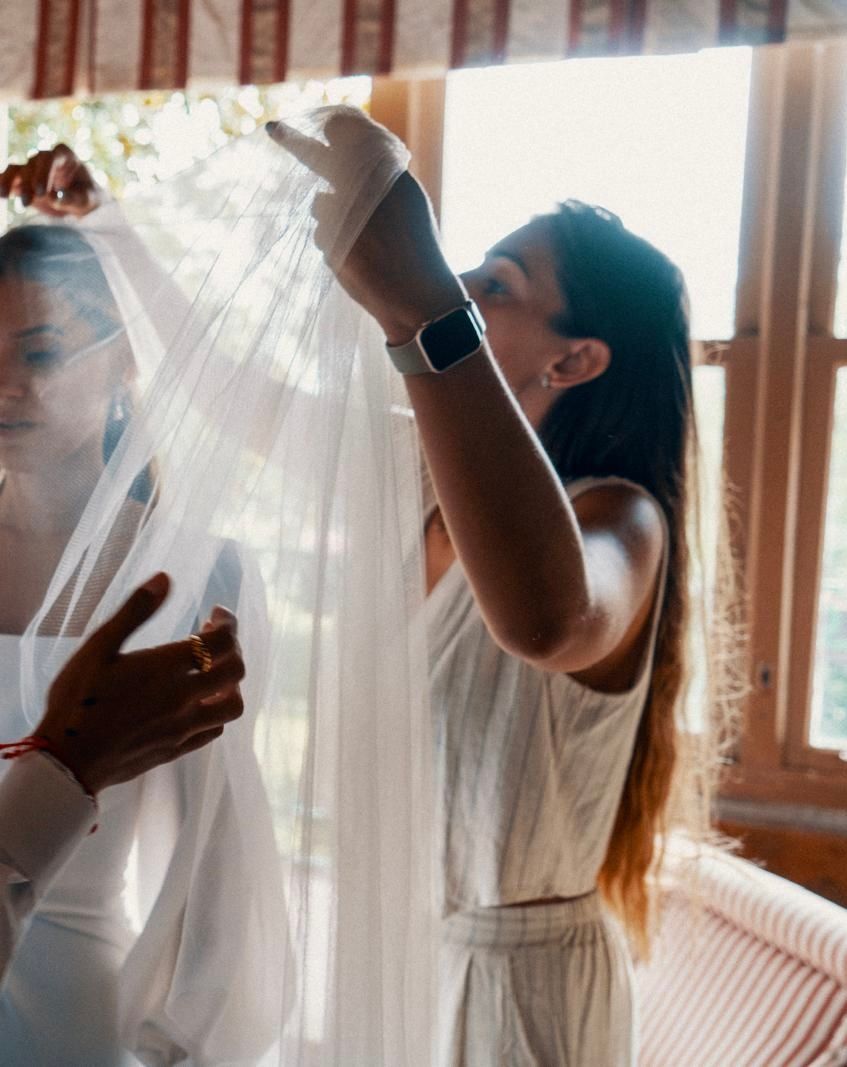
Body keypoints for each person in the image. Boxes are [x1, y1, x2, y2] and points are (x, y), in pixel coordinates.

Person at [273, 108, 731, 1065]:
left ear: (575, 359)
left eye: (496, 286)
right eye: (466, 276)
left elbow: (548, 618)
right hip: (410, 958)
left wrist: (424, 312)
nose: (465, 292)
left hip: (523, 1000)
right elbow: (242, 405)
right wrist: (102, 240)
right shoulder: (425, 475)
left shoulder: (622, 521)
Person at [0, 151, 262, 1066]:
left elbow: (219, 860)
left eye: (38, 352)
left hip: (78, 1019)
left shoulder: (200, 572)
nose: (5, 386)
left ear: (119, 363)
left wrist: (175, 1037)